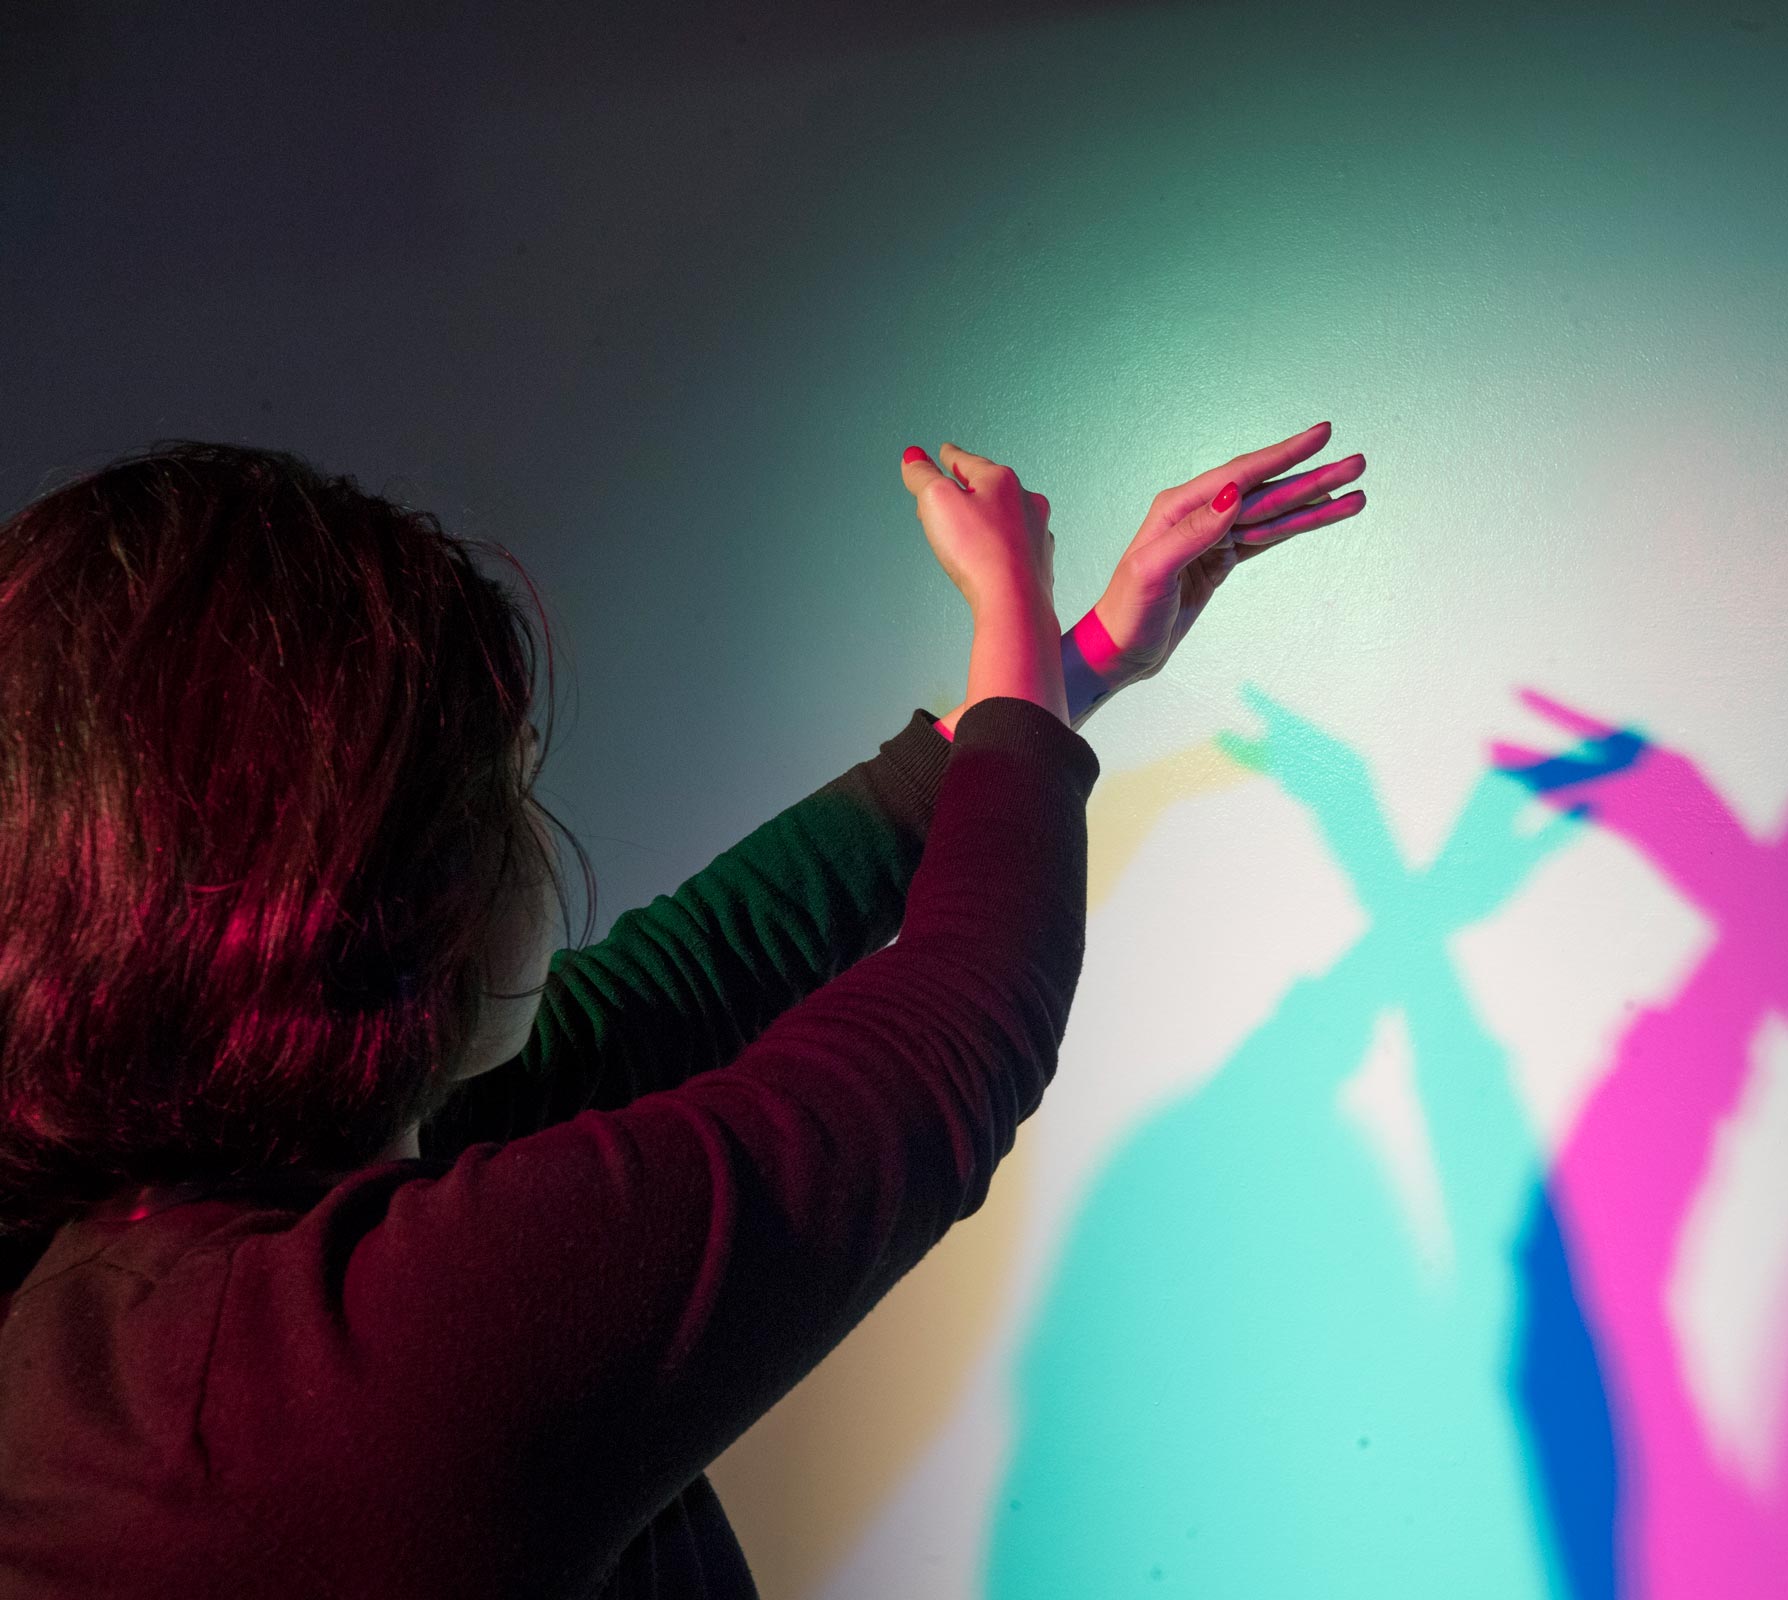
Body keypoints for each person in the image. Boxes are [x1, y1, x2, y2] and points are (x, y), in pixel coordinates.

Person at [0, 426, 1365, 1598]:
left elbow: (701, 966)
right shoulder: (351, 1368)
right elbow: (948, 1040)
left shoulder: (171, 1268)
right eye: (509, 795)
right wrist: (1009, 601)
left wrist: (1066, 668)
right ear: (381, 893)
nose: (538, 844)